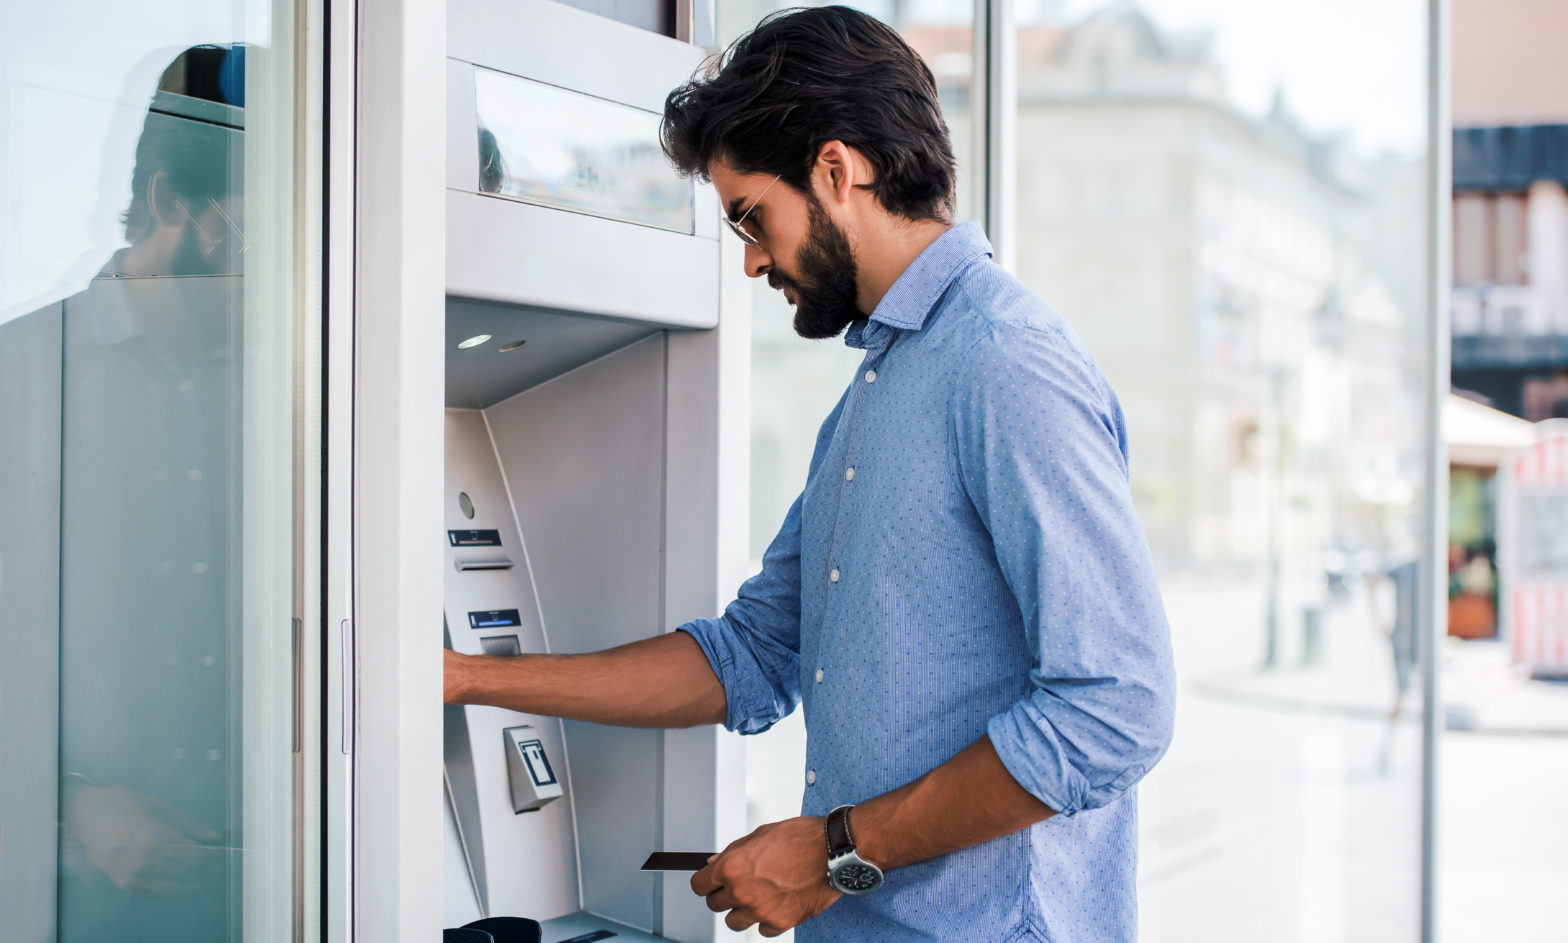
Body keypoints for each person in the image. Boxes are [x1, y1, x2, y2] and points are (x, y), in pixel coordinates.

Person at [444, 8, 1176, 941]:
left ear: (836, 171)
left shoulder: (1005, 363)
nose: (750, 259)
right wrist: (462, 676)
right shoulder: (878, 391)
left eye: (754, 216)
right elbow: (750, 656)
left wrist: (834, 848)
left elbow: (1118, 707)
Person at [0, 44, 245, 942]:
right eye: (255, 235)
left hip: (289, 890)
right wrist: (70, 805)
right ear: (167, 203)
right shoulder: (21, 374)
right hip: (66, 900)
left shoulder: (303, 395)